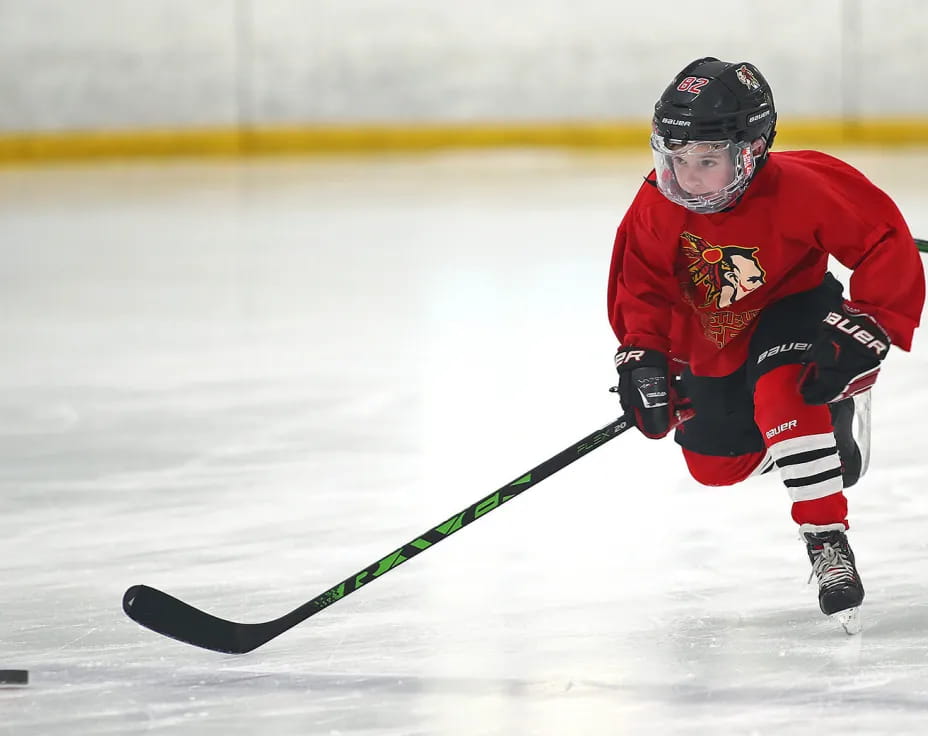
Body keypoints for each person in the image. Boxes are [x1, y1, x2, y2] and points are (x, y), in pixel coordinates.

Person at [607, 57, 925, 633]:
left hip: (793, 311)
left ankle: (826, 538)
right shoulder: (657, 204)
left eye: (707, 160)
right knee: (715, 466)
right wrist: (643, 357)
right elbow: (642, 287)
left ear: (751, 151)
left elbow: (882, 239)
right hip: (718, 335)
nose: (689, 176)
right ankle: (820, 435)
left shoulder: (804, 185)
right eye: (677, 159)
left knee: (785, 392)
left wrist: (871, 321)